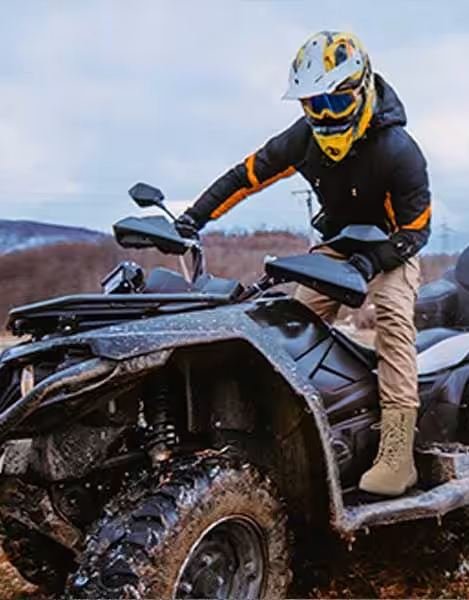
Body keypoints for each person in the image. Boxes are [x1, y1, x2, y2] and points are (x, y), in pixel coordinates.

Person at [174, 31, 431, 497]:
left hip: (391, 248)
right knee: (293, 325)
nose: (327, 115)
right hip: (338, 243)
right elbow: (246, 175)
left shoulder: (400, 151)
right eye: (315, 105)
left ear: (364, 87)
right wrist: (193, 218)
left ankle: (398, 453)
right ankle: (294, 426)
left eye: (338, 102)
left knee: (393, 319)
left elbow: (416, 232)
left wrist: (373, 262)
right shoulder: (302, 139)